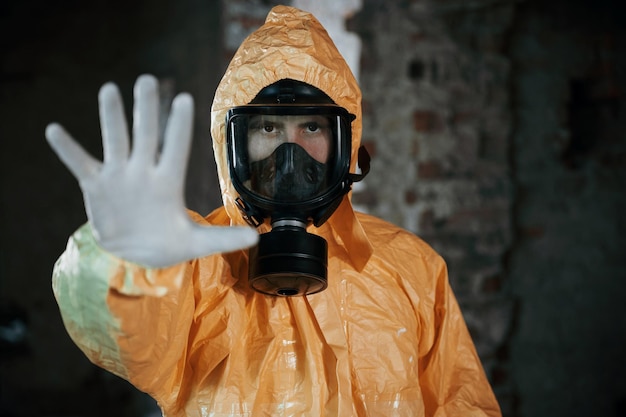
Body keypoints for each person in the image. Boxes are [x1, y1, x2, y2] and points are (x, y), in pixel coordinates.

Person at [46, 5, 501, 417]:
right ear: (233, 147)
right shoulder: (191, 269)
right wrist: (121, 262)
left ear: (347, 145)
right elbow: (126, 338)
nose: (292, 154)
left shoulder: (412, 268)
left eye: (311, 126)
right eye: (267, 126)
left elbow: (462, 405)